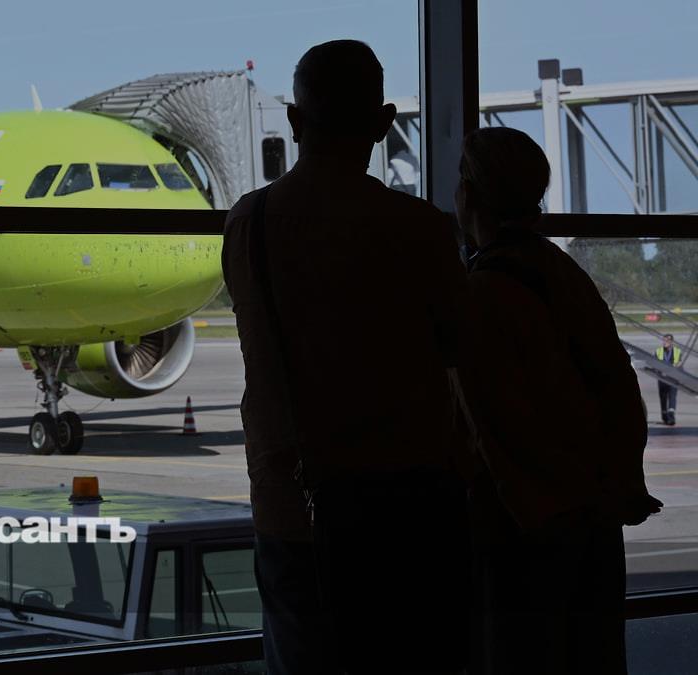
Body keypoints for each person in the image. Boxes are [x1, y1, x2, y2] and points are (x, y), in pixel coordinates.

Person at [222, 39, 469, 674]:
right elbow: (458, 347)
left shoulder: (248, 223)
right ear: (384, 124)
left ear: (294, 121)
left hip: (295, 503)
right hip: (407, 503)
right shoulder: (421, 227)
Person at [452, 127, 663, 674]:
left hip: (530, 523)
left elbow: (496, 424)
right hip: (590, 512)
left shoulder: (483, 290)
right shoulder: (561, 271)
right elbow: (617, 383)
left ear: (469, 194)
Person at [656, 334, 681, 426]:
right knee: (663, 397)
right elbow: (655, 363)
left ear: (671, 342)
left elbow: (679, 363)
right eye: (663, 340)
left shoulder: (677, 351)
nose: (664, 342)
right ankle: (664, 417)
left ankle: (671, 417)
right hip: (662, 378)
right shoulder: (658, 351)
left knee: (672, 397)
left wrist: (671, 369)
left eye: (666, 341)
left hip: (673, 378)